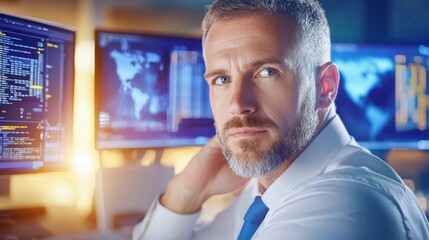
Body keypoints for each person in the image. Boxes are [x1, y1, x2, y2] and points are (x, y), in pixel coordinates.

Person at [132, 0, 429, 239]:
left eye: (266, 72)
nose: (237, 104)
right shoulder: (266, 187)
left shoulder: (343, 206)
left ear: (325, 87)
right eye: (222, 79)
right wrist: (186, 192)